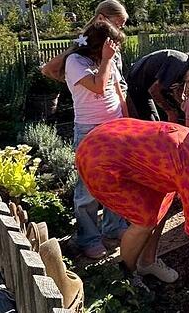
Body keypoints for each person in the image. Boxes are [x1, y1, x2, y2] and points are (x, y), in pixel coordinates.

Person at [76, 119, 189, 302]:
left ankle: (147, 261)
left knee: (164, 201)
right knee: (144, 221)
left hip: (107, 137)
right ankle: (126, 277)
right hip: (98, 160)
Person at [60, 20, 129, 259]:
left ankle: (114, 226)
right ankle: (88, 237)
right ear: (100, 45)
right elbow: (99, 87)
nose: (116, 50)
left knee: (116, 180)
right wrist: (108, 59)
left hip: (114, 126)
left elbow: (118, 90)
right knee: (88, 186)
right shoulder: (75, 62)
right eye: (112, 46)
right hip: (90, 129)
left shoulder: (107, 60)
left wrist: (126, 119)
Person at [42, 0, 129, 87]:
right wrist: (79, 83)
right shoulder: (84, 46)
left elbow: (119, 80)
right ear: (100, 19)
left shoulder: (110, 46)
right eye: (117, 25)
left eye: (121, 27)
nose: (118, 31)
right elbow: (48, 70)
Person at [127, 43, 189, 122]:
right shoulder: (179, 65)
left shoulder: (187, 67)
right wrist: (170, 111)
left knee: (169, 117)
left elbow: (179, 93)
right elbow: (154, 90)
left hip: (148, 87)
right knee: (152, 123)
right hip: (136, 87)